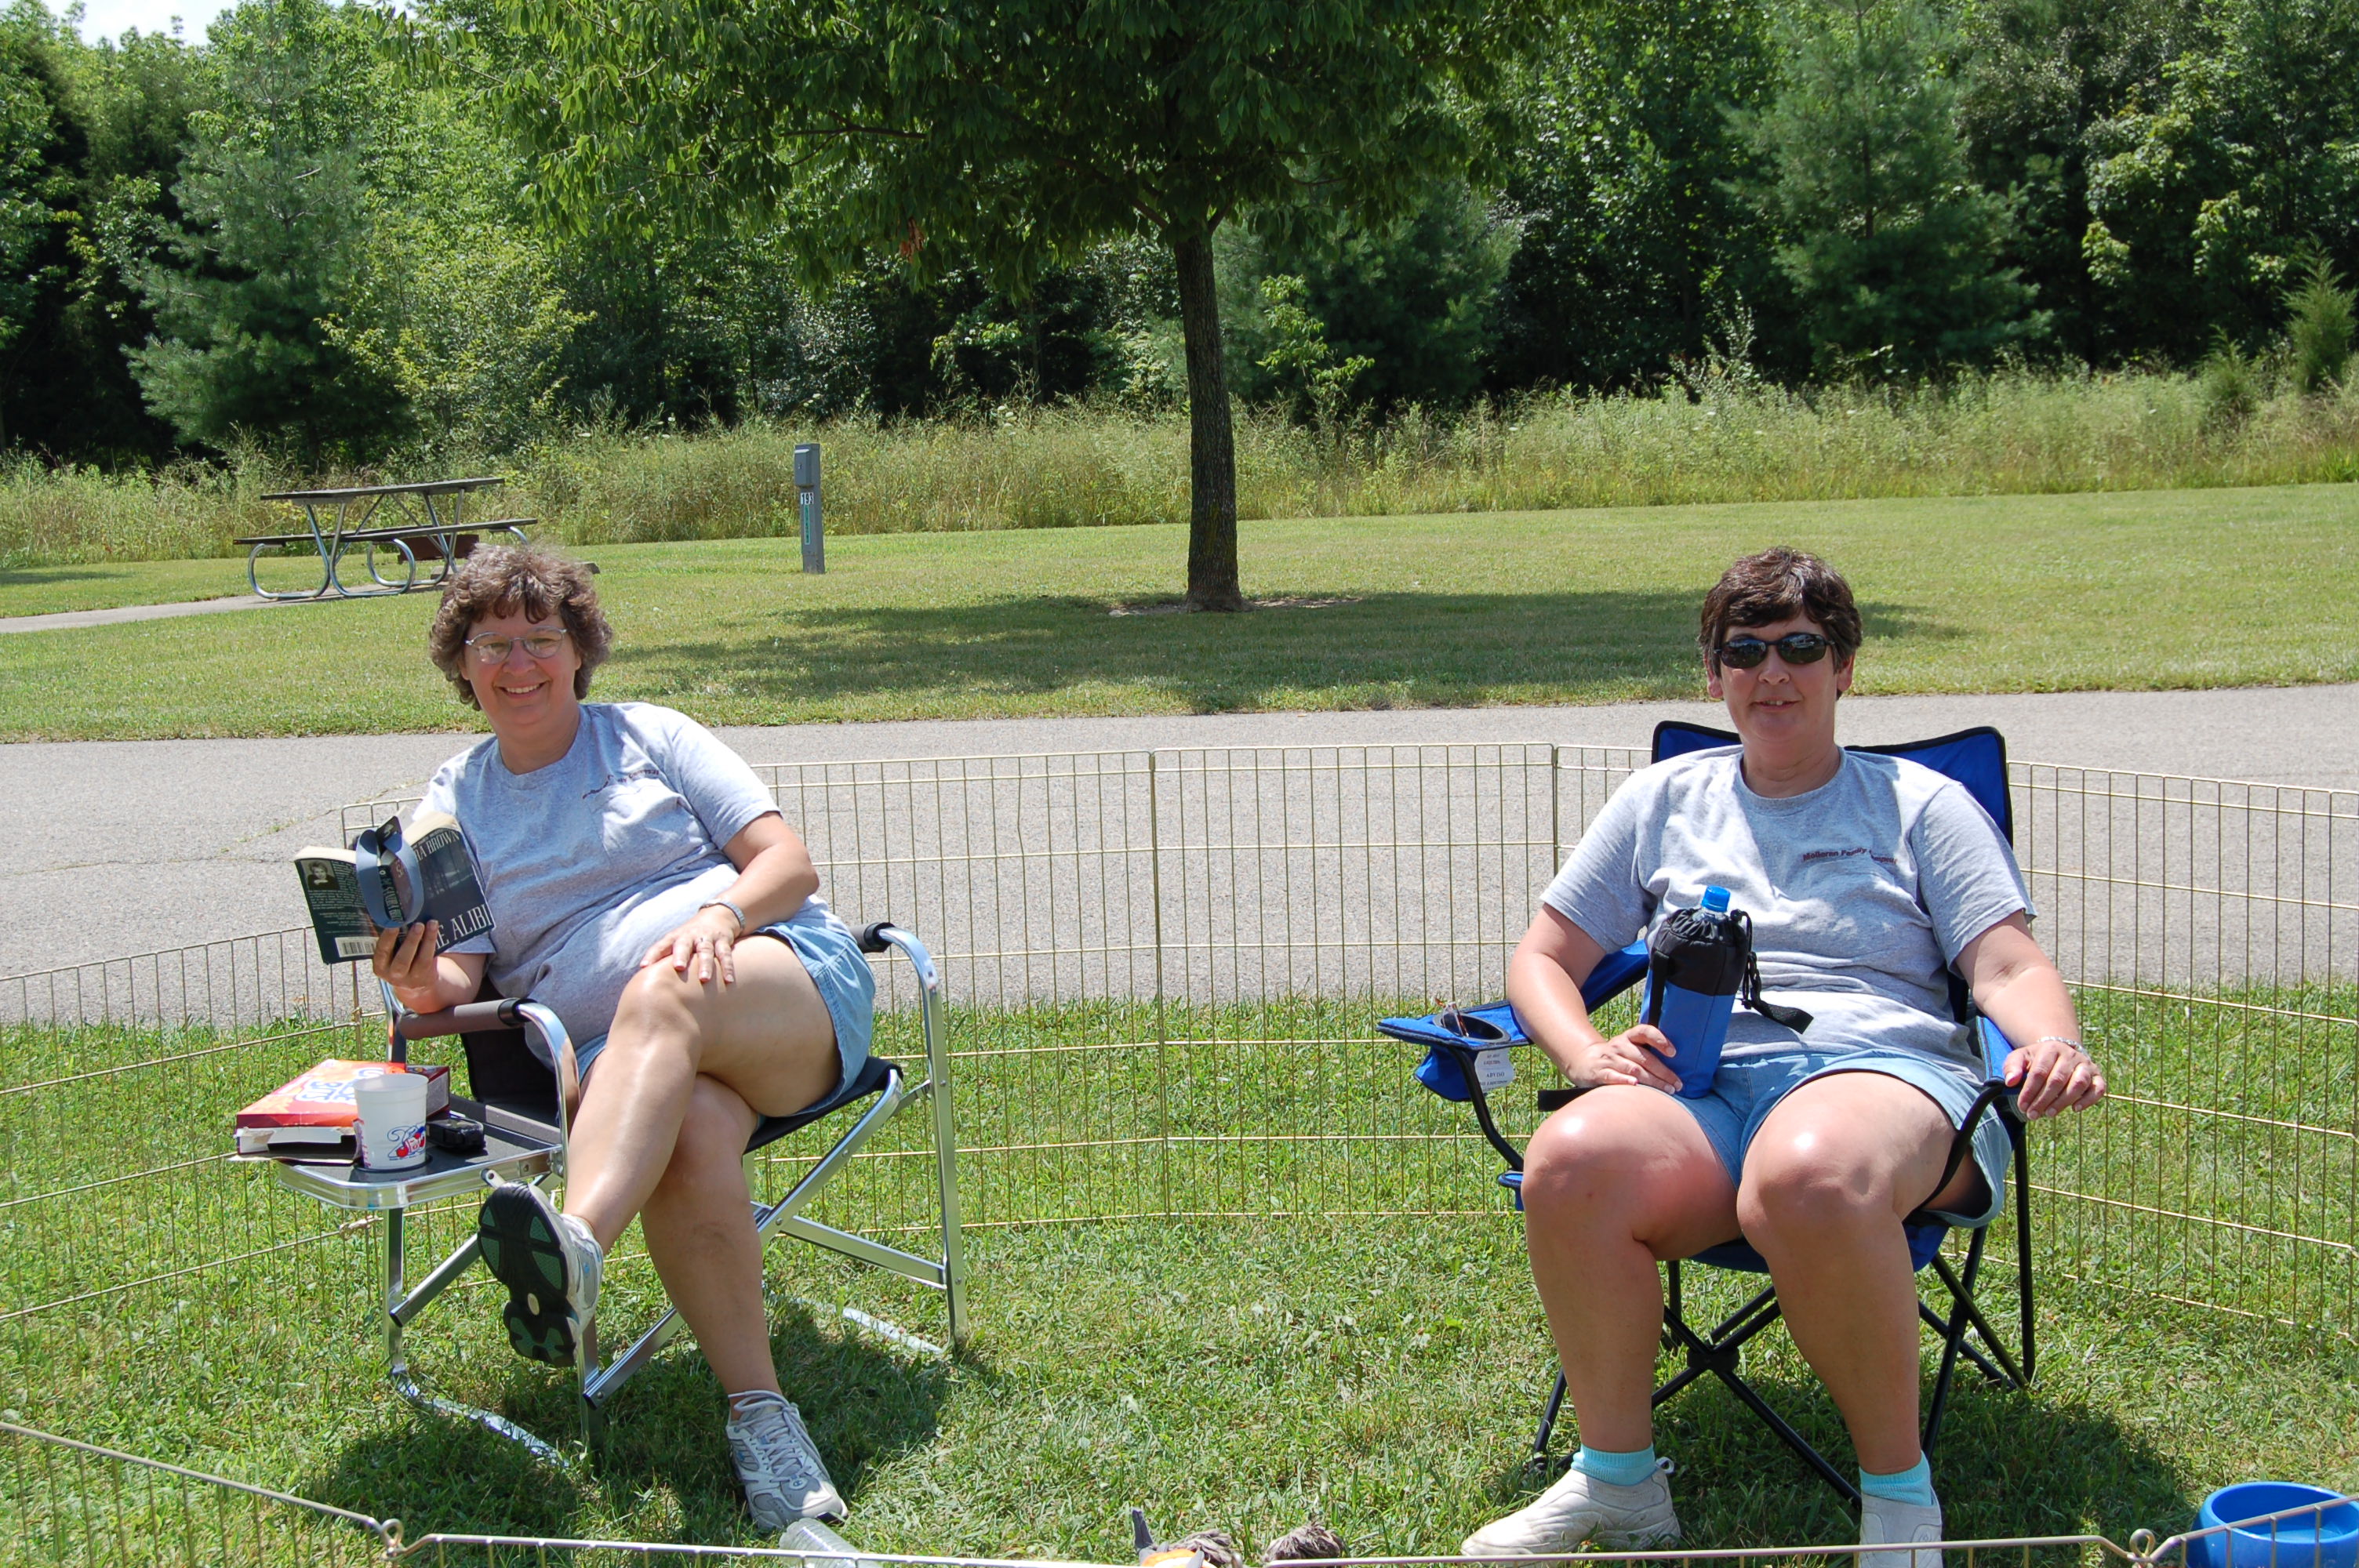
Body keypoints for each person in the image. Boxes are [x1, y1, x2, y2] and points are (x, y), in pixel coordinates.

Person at [1461, 547, 2106, 1566]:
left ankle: (1900, 1506)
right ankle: (1620, 1481)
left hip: (1888, 1081)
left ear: (1845, 667)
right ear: (1712, 675)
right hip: (1707, 1088)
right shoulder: (1662, 800)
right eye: (1745, 650)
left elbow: (2006, 962)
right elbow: (1544, 955)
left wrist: (2053, 1042)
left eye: (1802, 646)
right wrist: (1584, 1052)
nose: (1774, 673)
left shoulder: (1923, 808)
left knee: (1806, 1170)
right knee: (1570, 1162)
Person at [371, 545, 871, 1534]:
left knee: (663, 987)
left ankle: (581, 1248)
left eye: (540, 639)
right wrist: (414, 973)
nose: (520, 663)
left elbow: (787, 862)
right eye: (493, 644)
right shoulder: (453, 804)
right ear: (461, 663)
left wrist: (722, 918)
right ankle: (763, 1419)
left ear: (578, 650)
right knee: (684, 1130)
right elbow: (461, 980)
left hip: (778, 984)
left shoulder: (650, 734)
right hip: (630, 1067)